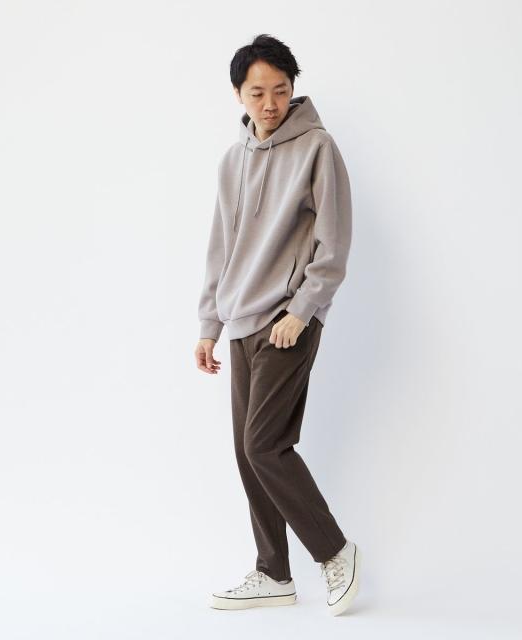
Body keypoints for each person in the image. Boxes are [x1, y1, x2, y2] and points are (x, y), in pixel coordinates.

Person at [194, 34, 359, 616]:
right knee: (248, 453)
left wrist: (302, 310)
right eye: (257, 92)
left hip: (288, 320)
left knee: (265, 444)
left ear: (294, 88)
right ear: (238, 94)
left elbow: (333, 244)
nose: (270, 103)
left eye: (281, 90)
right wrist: (210, 322)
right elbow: (221, 247)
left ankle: (335, 551)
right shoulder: (232, 160)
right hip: (240, 320)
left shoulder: (318, 147)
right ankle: (272, 572)